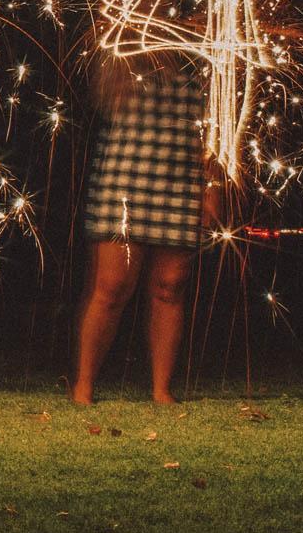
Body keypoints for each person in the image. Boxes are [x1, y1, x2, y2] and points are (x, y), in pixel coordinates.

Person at [71, 48, 220, 405]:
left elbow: (217, 126)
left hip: (184, 177)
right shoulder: (122, 46)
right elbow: (103, 91)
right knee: (112, 285)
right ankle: (83, 386)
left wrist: (213, 187)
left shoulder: (202, 53)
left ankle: (161, 390)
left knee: (171, 286)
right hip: (123, 174)